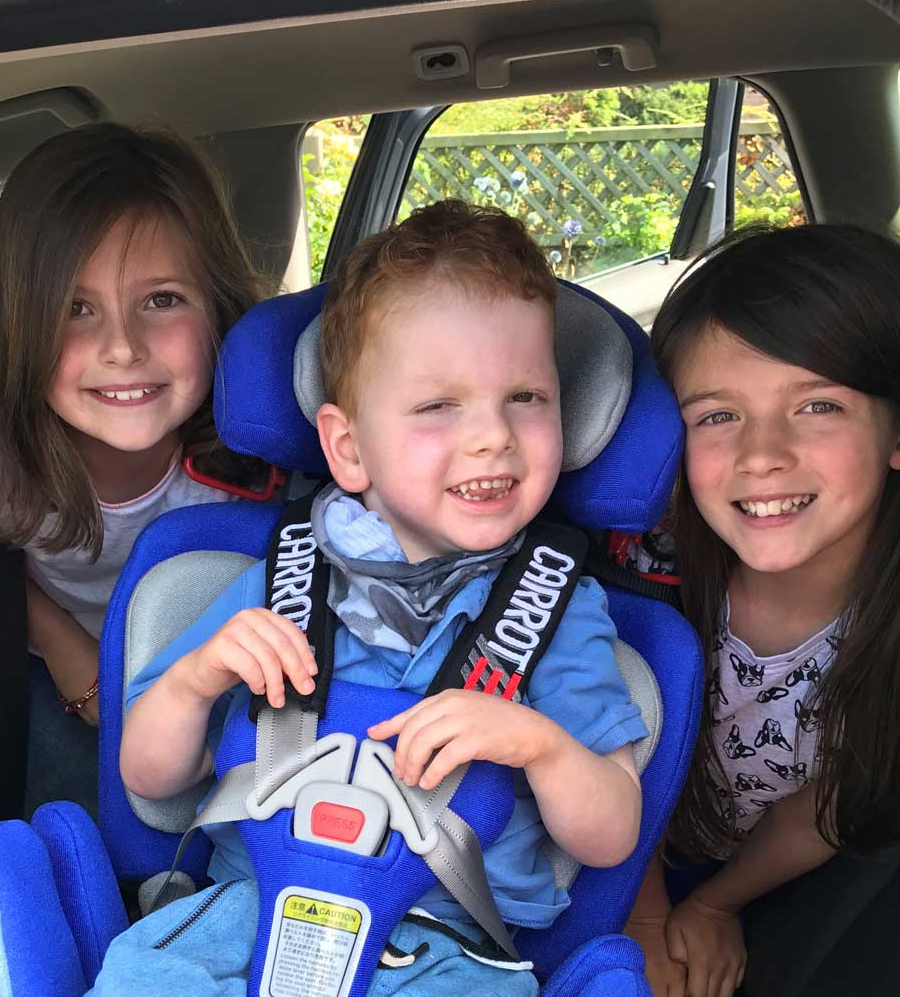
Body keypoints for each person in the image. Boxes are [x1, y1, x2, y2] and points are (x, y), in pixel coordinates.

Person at [94, 199, 648, 995]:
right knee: (142, 976)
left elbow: (609, 834)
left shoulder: (555, 613)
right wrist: (194, 680)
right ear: (348, 448)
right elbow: (147, 780)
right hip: (244, 917)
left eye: (526, 397)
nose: (493, 434)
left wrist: (541, 745)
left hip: (443, 947)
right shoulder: (280, 581)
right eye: (437, 406)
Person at [0, 122, 272, 817]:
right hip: (57, 659)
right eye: (75, 309)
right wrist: (67, 651)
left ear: (216, 306)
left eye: (162, 300)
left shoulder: (256, 455)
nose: (122, 348)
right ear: (20, 322)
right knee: (69, 811)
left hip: (213, 666)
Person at [625, 224, 900, 997]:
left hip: (766, 873)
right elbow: (613, 747)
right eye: (716, 416)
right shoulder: (648, 568)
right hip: (617, 839)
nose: (761, 454)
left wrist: (717, 904)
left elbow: (826, 808)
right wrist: (644, 921)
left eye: (817, 405)